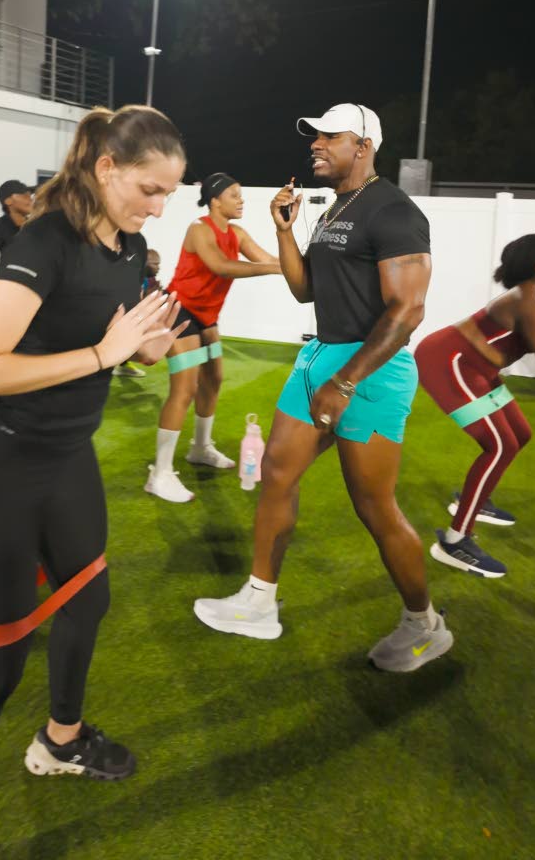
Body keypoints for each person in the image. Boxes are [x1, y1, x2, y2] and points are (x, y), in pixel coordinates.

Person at [0, 105, 187, 860]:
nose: (157, 207)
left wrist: (145, 348)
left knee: (87, 598)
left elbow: (117, 343)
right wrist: (104, 353)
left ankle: (59, 740)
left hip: (67, 457)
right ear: (107, 170)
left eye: (168, 194)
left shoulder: (129, 246)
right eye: (149, 189)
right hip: (0, 464)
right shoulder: (45, 241)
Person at [194, 104, 454, 673]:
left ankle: (424, 624)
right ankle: (260, 601)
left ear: (362, 145)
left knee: (375, 508)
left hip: (370, 369)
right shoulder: (338, 207)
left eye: (326, 136)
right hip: (318, 355)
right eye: (312, 136)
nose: (314, 144)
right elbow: (304, 289)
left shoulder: (395, 211)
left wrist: (345, 380)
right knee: (277, 474)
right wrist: (285, 231)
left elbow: (407, 310)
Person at [146, 173, 281, 503]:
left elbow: (268, 258)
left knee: (214, 378)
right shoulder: (199, 229)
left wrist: (302, 265)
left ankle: (200, 448)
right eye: (234, 195)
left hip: (206, 318)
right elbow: (221, 266)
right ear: (215, 200)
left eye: (241, 194)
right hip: (181, 313)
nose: (241, 200)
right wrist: (278, 270)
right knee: (186, 388)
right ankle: (160, 474)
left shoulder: (236, 232)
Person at [414, 233, 535, 579]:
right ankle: (455, 542)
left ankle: (475, 498)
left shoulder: (534, 295)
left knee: (520, 434)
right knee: (500, 445)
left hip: (478, 368)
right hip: (448, 362)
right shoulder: (527, 297)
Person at [113, 249, 162, 377]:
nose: (158, 268)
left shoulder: (149, 281)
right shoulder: (133, 277)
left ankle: (123, 365)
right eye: (155, 264)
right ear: (145, 263)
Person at [0, 179, 33, 252]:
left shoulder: (35, 227)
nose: (30, 200)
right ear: (8, 201)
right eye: (25, 196)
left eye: (30, 196)